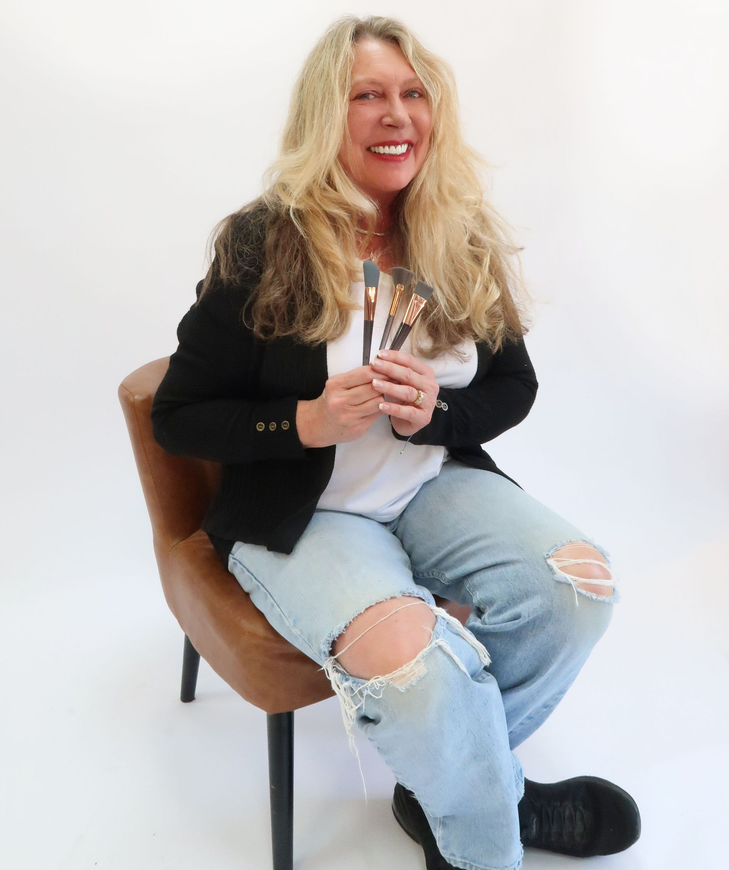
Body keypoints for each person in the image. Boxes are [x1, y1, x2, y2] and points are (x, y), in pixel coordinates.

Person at [152, 15, 641, 870]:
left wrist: (436, 418)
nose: (395, 114)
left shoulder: (454, 230)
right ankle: (487, 830)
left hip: (427, 485)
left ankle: (450, 785)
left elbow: (512, 387)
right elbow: (179, 414)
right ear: (323, 118)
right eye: (367, 95)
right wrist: (302, 421)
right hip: (306, 516)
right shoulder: (263, 244)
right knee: (415, 664)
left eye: (412, 94)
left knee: (577, 587)